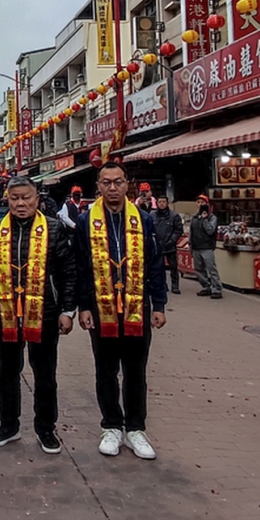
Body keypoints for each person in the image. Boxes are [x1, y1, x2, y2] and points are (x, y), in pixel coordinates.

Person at [75, 161, 167, 460]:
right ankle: (111, 426)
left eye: (117, 182)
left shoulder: (144, 220)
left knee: (136, 371)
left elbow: (155, 264)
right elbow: (81, 268)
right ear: (98, 186)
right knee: (105, 370)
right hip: (102, 310)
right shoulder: (86, 221)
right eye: (106, 182)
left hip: (137, 307)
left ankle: (136, 429)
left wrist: (160, 304)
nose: (112, 188)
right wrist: (84, 305)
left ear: (127, 184)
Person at [0, 176, 76, 453]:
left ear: (37, 199)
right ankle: (8, 425)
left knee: (45, 374)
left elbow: (67, 272)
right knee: (7, 372)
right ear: (7, 200)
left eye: (26, 198)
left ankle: (46, 428)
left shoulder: (55, 229)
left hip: (45, 312)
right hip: (6, 312)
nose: (21, 203)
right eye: (15, 198)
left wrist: (67, 310)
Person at [190, 195, 223, 299]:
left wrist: (205, 220)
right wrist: (190, 245)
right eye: (198, 202)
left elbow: (210, 230)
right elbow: (191, 232)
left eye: (202, 202)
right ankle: (205, 287)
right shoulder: (194, 218)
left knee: (211, 269)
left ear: (207, 204)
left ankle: (217, 289)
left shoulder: (212, 217)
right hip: (196, 247)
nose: (200, 204)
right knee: (199, 269)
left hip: (207, 247)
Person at [151, 196, 183, 295]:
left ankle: (175, 285)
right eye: (159, 201)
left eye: (163, 202)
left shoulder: (174, 215)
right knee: (159, 268)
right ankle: (163, 285)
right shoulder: (152, 215)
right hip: (157, 246)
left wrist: (172, 241)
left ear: (167, 203)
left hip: (170, 246)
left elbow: (178, 230)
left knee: (173, 267)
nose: (161, 204)